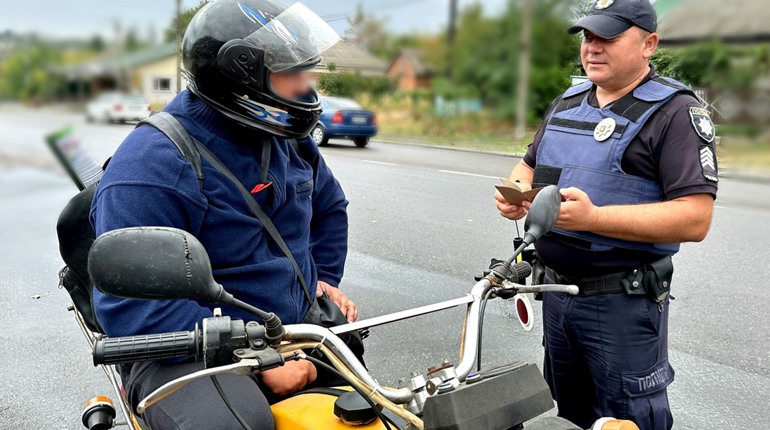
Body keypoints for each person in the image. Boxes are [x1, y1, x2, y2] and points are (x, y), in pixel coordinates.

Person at [89, 1, 356, 428]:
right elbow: (132, 305)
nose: (307, 87)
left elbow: (330, 208)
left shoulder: (285, 138)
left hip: (294, 330)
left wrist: (325, 279)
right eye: (293, 74)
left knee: (381, 411)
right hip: (185, 348)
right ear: (241, 75)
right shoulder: (152, 166)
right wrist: (254, 353)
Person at [495, 0, 718, 429]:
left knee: (629, 419)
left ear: (648, 44)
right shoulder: (568, 101)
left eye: (608, 37)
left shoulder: (674, 112)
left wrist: (594, 219)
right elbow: (528, 164)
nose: (593, 47)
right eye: (587, 36)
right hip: (557, 296)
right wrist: (518, 195)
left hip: (622, 304)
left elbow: (695, 217)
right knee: (568, 416)